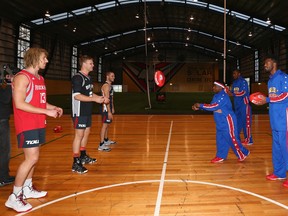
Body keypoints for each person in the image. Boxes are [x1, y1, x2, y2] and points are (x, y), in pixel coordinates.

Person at [5, 47, 63, 213]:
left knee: (34, 159)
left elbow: (39, 102)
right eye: (44, 58)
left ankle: (27, 188)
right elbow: (19, 103)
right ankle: (14, 196)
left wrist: (53, 107)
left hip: (38, 122)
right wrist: (46, 111)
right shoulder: (22, 77)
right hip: (26, 123)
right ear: (35, 58)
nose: (46, 61)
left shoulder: (40, 78)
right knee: (31, 159)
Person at [192, 81, 250, 163]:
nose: (213, 87)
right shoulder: (217, 96)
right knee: (221, 139)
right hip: (220, 122)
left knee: (232, 139)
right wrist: (200, 108)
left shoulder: (223, 96)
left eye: (215, 86)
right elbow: (212, 107)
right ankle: (221, 156)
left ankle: (243, 153)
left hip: (227, 121)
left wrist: (200, 105)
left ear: (220, 87)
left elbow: (214, 106)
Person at [255, 56, 288, 187]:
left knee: (285, 148)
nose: (264, 65)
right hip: (274, 120)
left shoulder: (283, 77)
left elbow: (286, 94)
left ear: (274, 63)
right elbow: (274, 98)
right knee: (277, 148)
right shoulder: (270, 81)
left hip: (284, 120)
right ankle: (279, 173)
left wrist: (267, 100)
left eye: (266, 62)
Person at [71, 55, 107, 174]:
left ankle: (82, 155)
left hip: (87, 111)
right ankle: (76, 162)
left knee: (86, 133)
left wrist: (100, 98)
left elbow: (90, 95)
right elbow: (76, 96)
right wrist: (94, 100)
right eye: (91, 63)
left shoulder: (89, 78)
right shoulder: (77, 77)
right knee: (79, 135)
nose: (93, 65)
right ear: (84, 64)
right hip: (79, 111)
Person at [228, 69, 253, 145]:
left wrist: (233, 94)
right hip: (237, 106)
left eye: (235, 73)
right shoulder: (234, 83)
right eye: (233, 74)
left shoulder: (243, 82)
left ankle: (249, 140)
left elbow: (243, 92)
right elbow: (232, 92)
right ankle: (237, 138)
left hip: (244, 106)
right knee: (237, 123)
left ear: (239, 74)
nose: (233, 75)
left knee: (246, 123)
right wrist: (228, 92)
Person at [0, 72, 15, 187]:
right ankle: (3, 177)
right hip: (1, 121)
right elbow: (5, 99)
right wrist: (10, 83)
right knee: (4, 150)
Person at [98, 71, 116, 152]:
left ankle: (106, 139)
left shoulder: (110, 86)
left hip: (109, 107)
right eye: (112, 76)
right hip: (105, 108)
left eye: (114, 76)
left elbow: (111, 98)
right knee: (104, 125)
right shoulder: (106, 86)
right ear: (107, 76)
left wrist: (112, 108)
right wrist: (109, 111)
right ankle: (101, 144)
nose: (113, 77)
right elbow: (107, 100)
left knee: (107, 124)